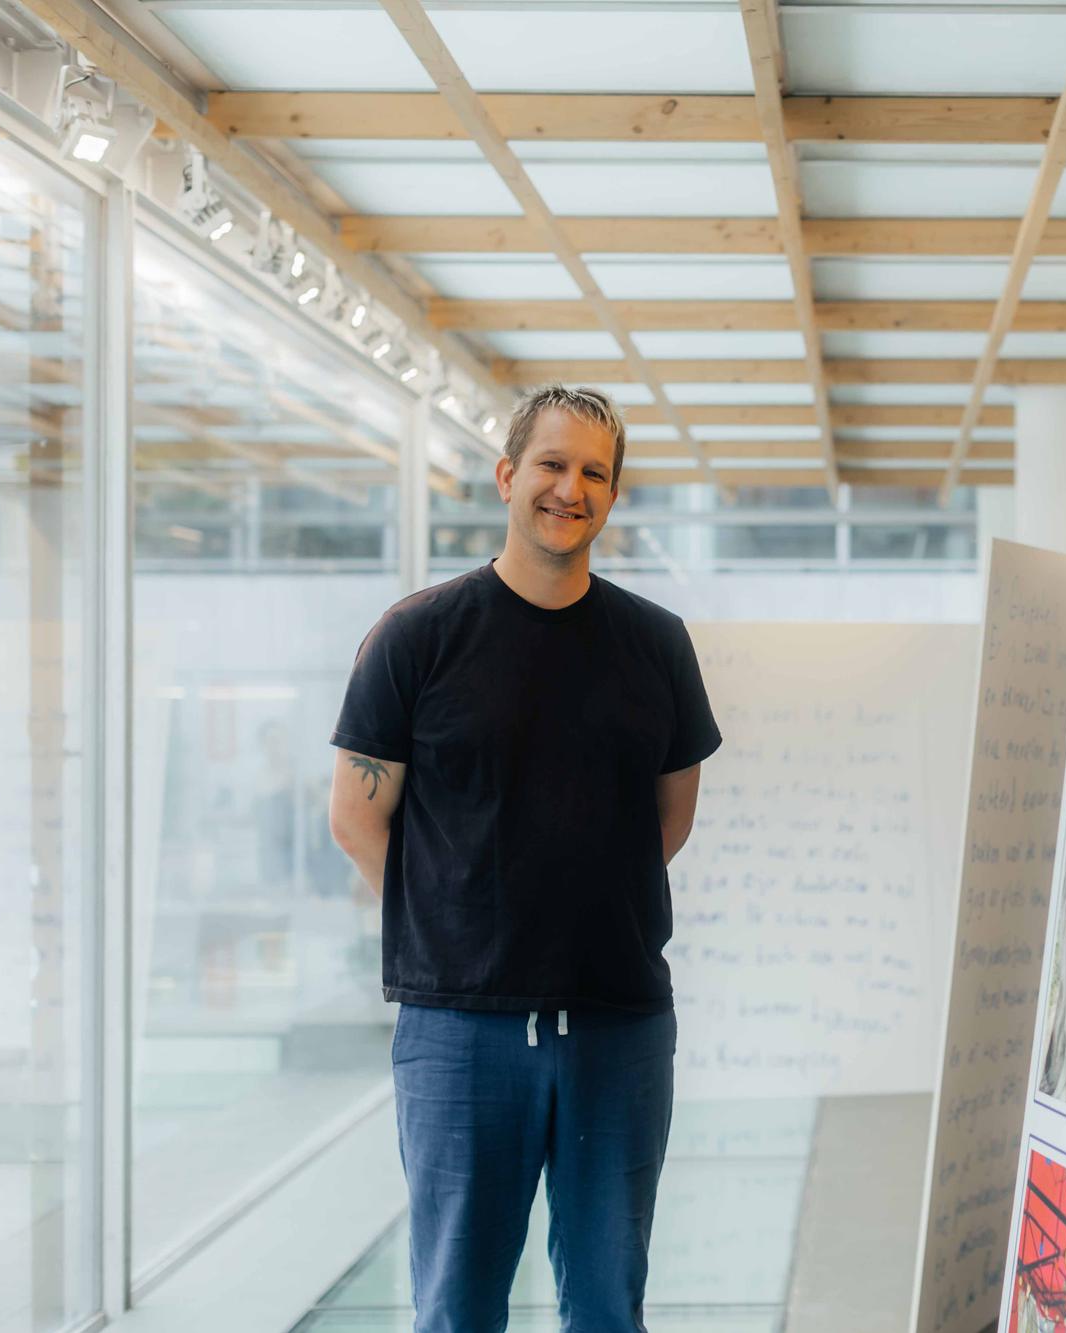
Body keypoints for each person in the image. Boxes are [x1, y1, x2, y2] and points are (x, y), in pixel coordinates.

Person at [327, 385, 721, 1331]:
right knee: (456, 1308)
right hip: (459, 1032)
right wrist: (457, 919)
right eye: (551, 463)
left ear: (613, 496)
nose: (569, 487)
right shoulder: (416, 636)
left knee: (608, 1306)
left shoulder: (657, 645)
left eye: (594, 472)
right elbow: (355, 817)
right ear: (507, 476)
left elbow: (669, 819)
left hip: (617, 1027)